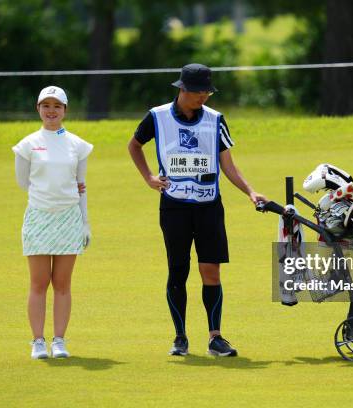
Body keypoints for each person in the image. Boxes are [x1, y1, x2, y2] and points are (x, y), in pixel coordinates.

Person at [128, 63, 267, 357]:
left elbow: (227, 163)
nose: (203, 97)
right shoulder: (157, 116)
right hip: (174, 207)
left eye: (207, 92)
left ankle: (215, 337)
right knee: (178, 272)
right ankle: (180, 337)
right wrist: (149, 178)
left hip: (209, 206)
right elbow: (134, 145)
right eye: (198, 92)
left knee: (211, 271)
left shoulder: (216, 120)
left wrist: (251, 192)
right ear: (182, 89)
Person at [12, 86, 93, 359]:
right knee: (38, 282)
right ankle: (37, 342)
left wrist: (85, 222)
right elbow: (24, 183)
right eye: (46, 105)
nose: (51, 111)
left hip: (69, 218)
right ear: (38, 109)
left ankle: (59, 341)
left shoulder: (77, 145)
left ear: (65, 110)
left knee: (62, 283)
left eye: (56, 106)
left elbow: (80, 185)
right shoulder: (27, 145)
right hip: (38, 217)